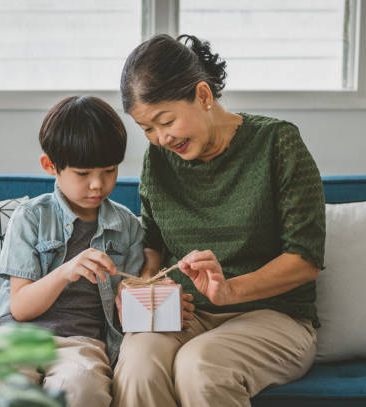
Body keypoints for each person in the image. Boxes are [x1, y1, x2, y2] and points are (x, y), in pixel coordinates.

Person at [112, 34, 326, 407]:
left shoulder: (278, 142)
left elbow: (305, 261)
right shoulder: (158, 160)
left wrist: (230, 291)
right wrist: (140, 291)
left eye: (166, 121)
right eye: (147, 128)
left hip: (274, 317)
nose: (161, 138)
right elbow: (152, 245)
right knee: (136, 367)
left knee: (200, 366)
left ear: (204, 96)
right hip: (186, 313)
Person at [0, 96, 144, 407]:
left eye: (109, 170)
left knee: (83, 388)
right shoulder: (31, 217)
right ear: (50, 166)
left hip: (80, 342)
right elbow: (20, 307)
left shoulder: (127, 226)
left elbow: (130, 303)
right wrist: (66, 270)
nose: (97, 185)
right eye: (82, 173)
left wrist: (145, 291)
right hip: (14, 336)